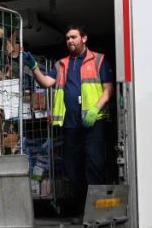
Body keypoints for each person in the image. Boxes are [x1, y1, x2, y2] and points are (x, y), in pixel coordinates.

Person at [24, 26, 114, 214]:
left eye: (73, 37)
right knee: (73, 171)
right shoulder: (61, 64)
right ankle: (82, 213)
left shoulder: (98, 60)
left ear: (84, 38)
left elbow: (108, 89)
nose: (70, 41)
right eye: (67, 38)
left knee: (94, 168)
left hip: (92, 124)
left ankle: (96, 215)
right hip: (71, 126)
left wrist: (96, 109)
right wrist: (34, 68)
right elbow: (46, 82)